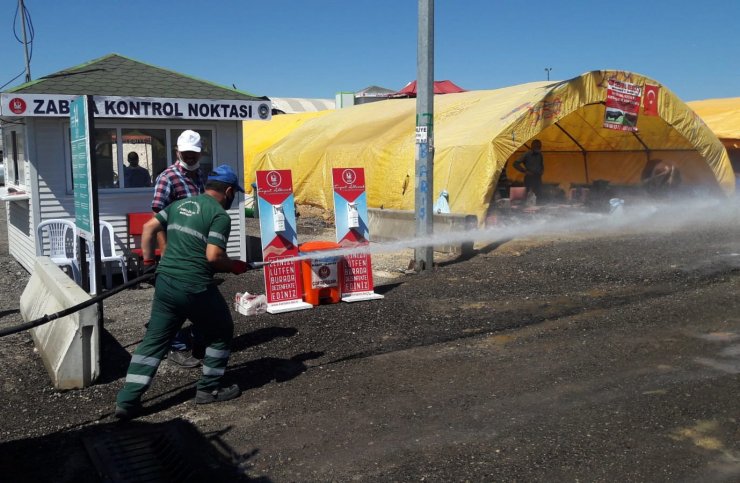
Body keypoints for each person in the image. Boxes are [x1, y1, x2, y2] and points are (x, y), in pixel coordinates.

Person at [115, 165, 251, 420]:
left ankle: (127, 400)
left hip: (166, 282)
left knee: (154, 340)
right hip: (194, 285)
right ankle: (208, 390)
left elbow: (148, 228)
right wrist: (234, 266)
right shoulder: (219, 215)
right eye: (234, 194)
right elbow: (213, 257)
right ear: (229, 191)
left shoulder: (179, 205)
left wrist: (147, 264)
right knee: (221, 331)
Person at [151, 130, 208, 368]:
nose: (190, 157)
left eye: (194, 154)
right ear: (177, 152)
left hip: (197, 249)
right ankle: (174, 346)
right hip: (175, 249)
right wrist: (164, 248)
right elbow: (157, 215)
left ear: (200, 153)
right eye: (185, 154)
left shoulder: (200, 176)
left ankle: (197, 340)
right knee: (174, 300)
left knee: (196, 298)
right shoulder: (168, 177)